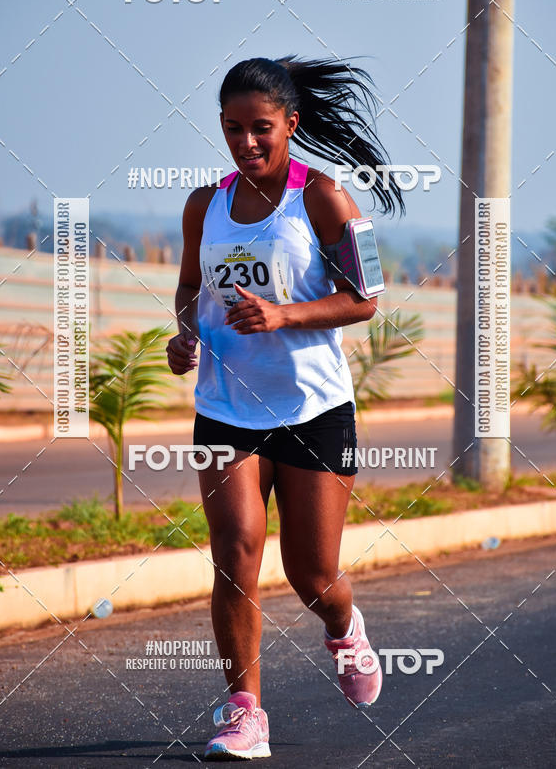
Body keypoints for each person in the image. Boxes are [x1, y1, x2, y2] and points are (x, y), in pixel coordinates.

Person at [166, 56, 404, 761]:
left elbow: (365, 300)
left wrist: (284, 315)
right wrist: (184, 333)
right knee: (235, 554)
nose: (247, 143)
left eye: (261, 129)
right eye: (233, 129)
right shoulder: (204, 205)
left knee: (313, 575)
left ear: (291, 125)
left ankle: (343, 626)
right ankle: (245, 713)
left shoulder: (324, 198)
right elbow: (188, 287)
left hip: (314, 409)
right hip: (225, 408)